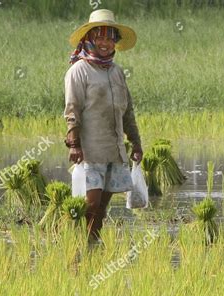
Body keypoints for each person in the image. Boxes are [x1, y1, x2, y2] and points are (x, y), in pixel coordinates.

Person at [64, 9, 143, 242]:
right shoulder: (79, 71)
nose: (105, 43)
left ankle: (92, 242)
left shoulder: (117, 72)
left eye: (110, 38)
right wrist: (74, 144)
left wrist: (135, 142)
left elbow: (127, 110)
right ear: (89, 39)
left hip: (114, 149)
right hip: (90, 149)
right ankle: (76, 241)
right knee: (91, 203)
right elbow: (72, 110)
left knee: (102, 207)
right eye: (100, 37)